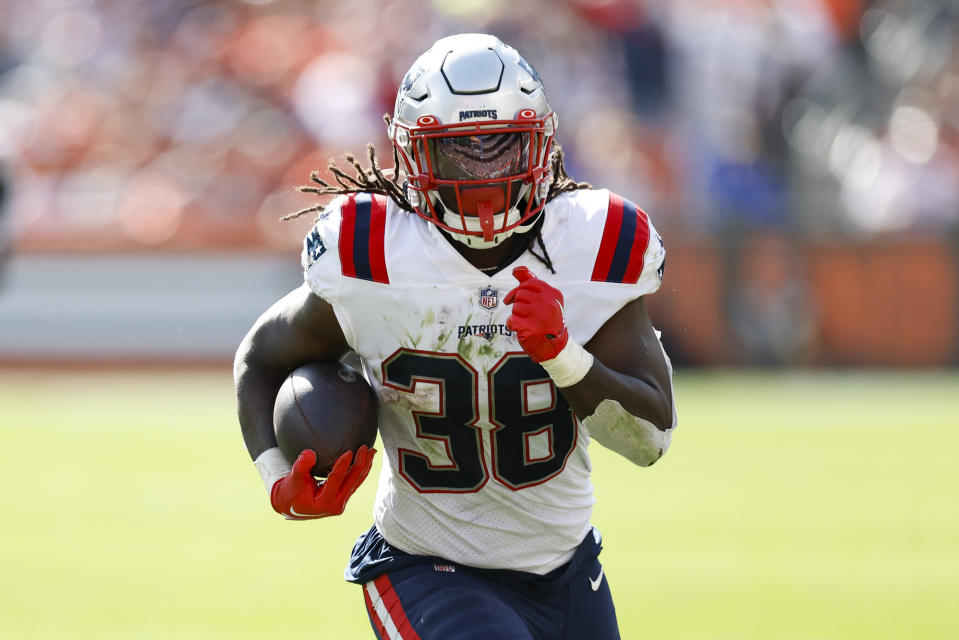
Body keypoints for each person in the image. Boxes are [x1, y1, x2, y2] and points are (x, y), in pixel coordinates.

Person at [235, 33, 677, 640]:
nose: (484, 177)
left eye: (502, 149)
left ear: (543, 143)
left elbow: (649, 440)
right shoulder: (371, 252)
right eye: (459, 152)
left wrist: (564, 357)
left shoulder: (595, 243)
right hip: (426, 566)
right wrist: (275, 475)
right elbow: (262, 356)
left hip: (569, 567)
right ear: (414, 158)